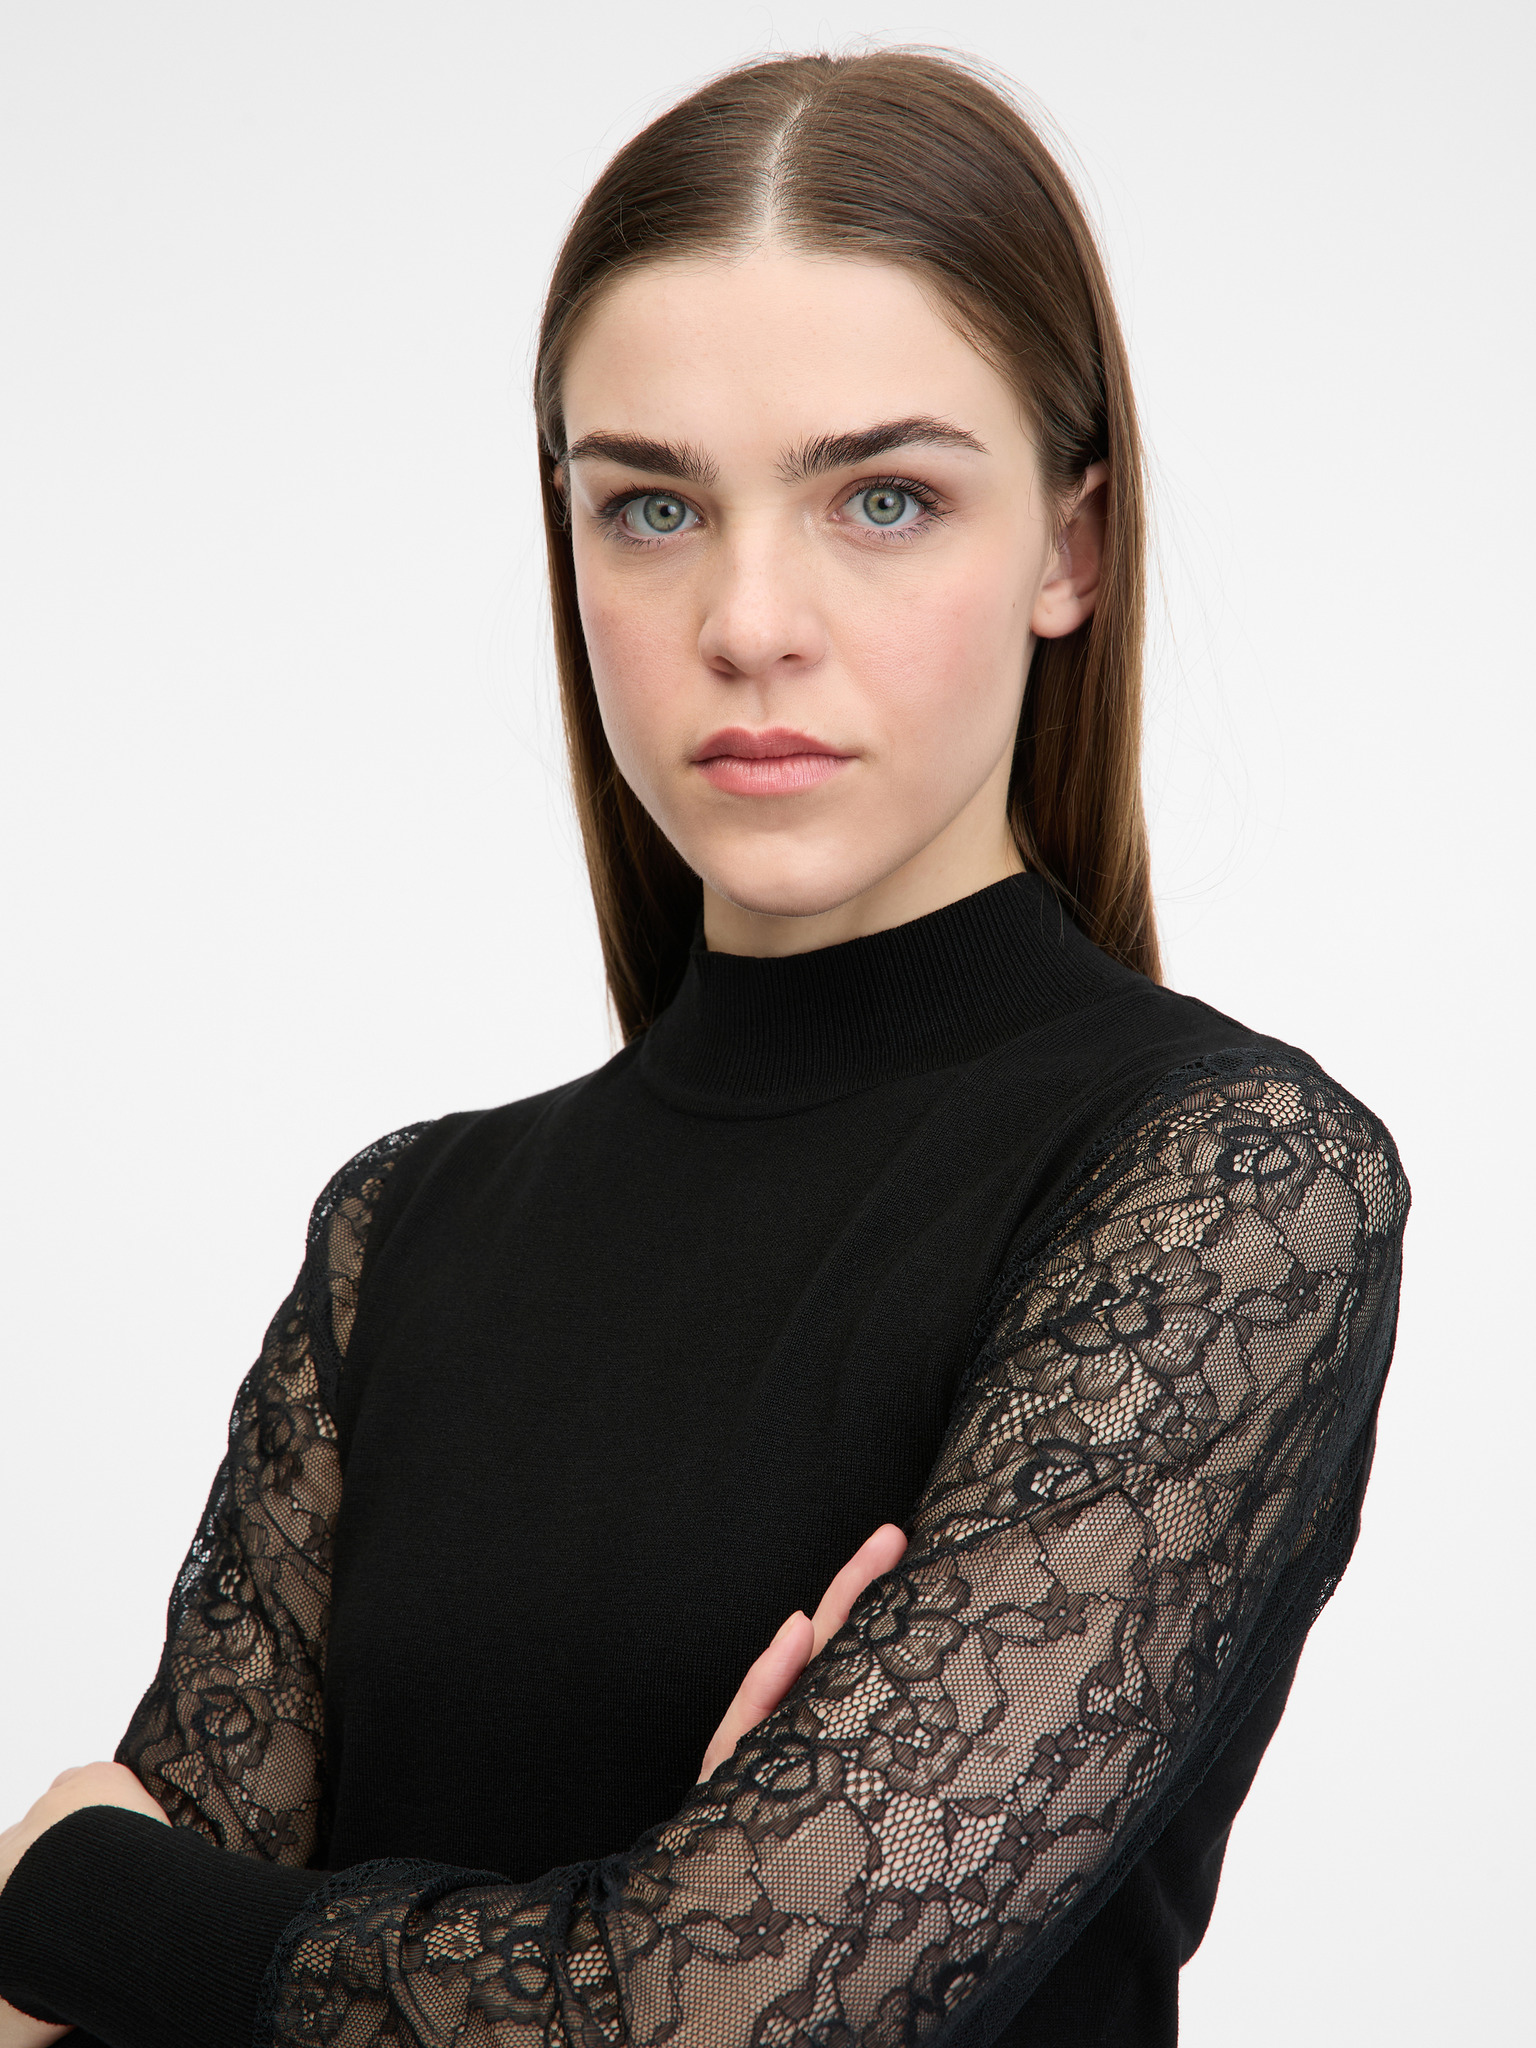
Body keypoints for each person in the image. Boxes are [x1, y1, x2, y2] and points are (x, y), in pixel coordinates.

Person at [0, 48, 1409, 2048]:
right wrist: (608, 1934)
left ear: (1071, 549)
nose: (750, 620)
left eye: (884, 498)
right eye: (652, 506)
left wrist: (79, 1898)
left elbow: (687, 2018)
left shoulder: (1228, 1185)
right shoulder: (404, 1230)